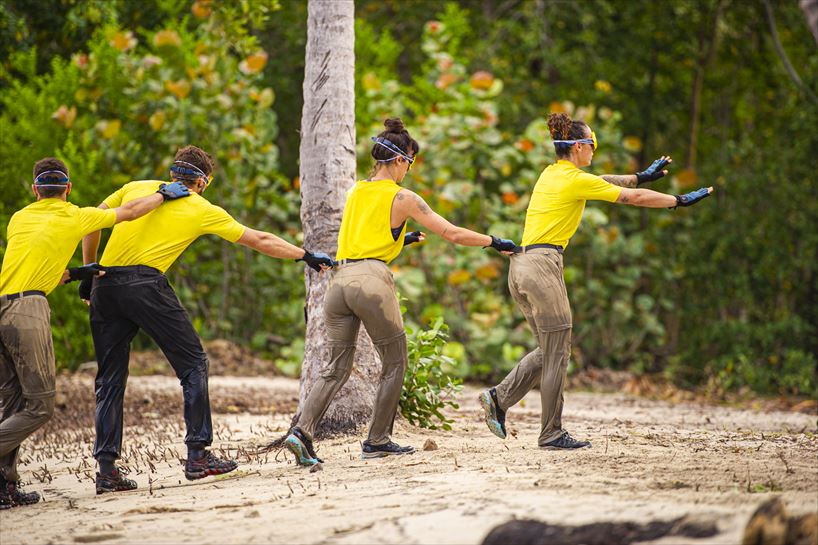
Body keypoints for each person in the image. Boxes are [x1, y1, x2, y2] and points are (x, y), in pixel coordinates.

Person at [81, 145, 333, 494]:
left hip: (104, 286)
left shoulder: (135, 187)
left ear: (172, 174)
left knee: (109, 380)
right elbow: (258, 239)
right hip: (145, 285)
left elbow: (92, 219)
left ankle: (106, 471)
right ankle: (198, 456)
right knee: (194, 365)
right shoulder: (200, 207)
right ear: (202, 182)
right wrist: (304, 254)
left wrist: (89, 271)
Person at [283, 118, 517, 467]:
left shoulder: (357, 190)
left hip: (340, 281)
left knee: (335, 367)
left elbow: (366, 235)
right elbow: (450, 233)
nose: (409, 168)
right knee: (395, 361)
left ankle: (301, 432)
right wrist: (494, 242)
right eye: (410, 161)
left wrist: (400, 239)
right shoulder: (403, 197)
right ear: (398, 159)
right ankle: (377, 440)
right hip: (372, 282)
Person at [479, 112, 713, 450]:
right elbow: (628, 198)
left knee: (550, 350)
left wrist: (639, 176)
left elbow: (602, 180)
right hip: (543, 265)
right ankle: (551, 432)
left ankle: (499, 399)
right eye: (593, 143)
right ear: (578, 147)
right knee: (557, 351)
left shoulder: (553, 174)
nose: (594, 150)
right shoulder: (574, 180)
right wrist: (677, 201)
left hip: (520, 265)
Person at [0, 157, 190, 509]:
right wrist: (164, 194)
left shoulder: (19, 218)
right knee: (39, 406)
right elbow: (130, 212)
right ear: (68, 189)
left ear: (34, 190)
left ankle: (4, 487)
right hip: (28, 311)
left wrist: (77, 273)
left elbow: (41, 265)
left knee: (11, 403)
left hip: (2, 306)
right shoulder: (74, 215)